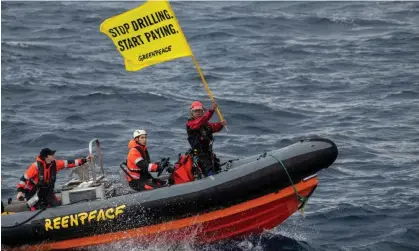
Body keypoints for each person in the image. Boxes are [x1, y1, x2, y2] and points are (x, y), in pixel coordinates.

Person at [16, 148, 91, 210]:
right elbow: (23, 179)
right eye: (51, 154)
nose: (54, 155)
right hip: (34, 193)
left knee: (57, 206)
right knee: (37, 209)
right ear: (46, 157)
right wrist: (20, 192)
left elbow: (70, 163)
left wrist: (85, 160)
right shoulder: (35, 167)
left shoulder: (55, 164)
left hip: (47, 191)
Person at [186, 101, 227, 176]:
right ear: (192, 112)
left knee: (217, 166)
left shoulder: (205, 123)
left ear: (202, 112)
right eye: (196, 111)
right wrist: (211, 110)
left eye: (200, 111)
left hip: (208, 152)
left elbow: (214, 128)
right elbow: (201, 121)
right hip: (199, 154)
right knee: (208, 169)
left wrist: (220, 124)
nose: (198, 113)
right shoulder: (191, 124)